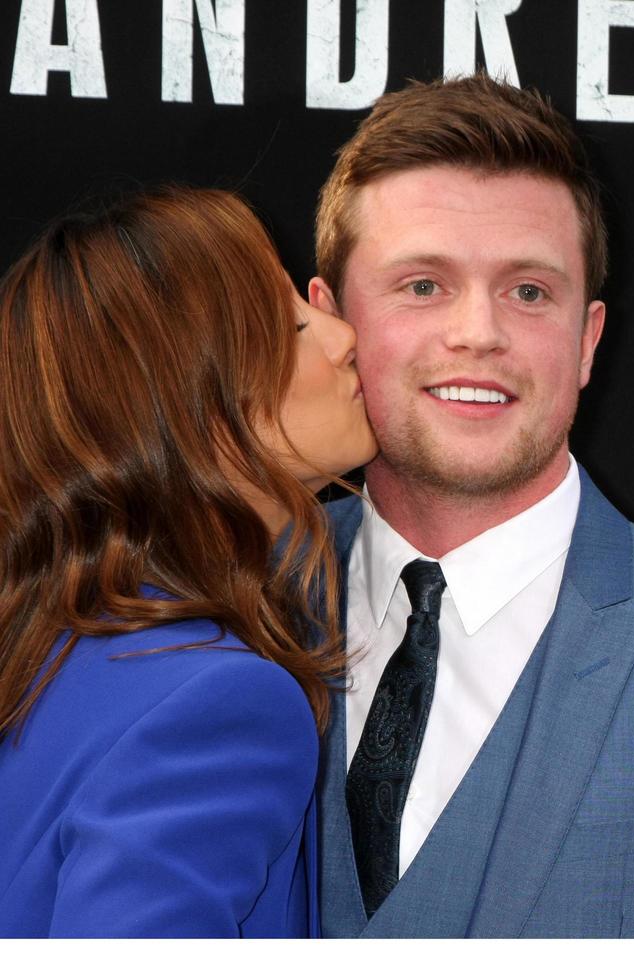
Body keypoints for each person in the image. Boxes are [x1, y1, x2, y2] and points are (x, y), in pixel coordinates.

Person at [310, 73, 634, 938]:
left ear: (588, 341)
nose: (478, 332)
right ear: (332, 324)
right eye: (422, 285)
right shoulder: (211, 600)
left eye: (528, 291)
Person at [0, 187, 377, 938]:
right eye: (291, 325)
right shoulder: (219, 701)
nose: (343, 337)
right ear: (187, 400)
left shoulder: (50, 647)